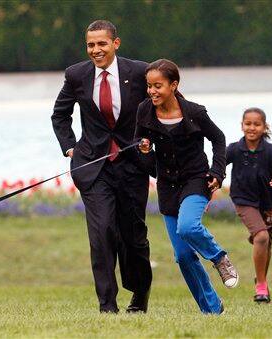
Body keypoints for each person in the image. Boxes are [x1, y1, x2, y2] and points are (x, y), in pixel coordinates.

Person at [51, 20, 152, 314]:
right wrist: (70, 147)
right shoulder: (76, 75)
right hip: (94, 168)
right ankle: (107, 305)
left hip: (132, 166)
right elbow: (60, 115)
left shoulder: (139, 72)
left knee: (133, 236)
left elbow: (162, 105)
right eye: (91, 45)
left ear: (115, 44)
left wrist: (150, 141)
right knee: (102, 233)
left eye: (102, 44)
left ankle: (140, 294)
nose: (96, 50)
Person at [135, 59, 239, 314]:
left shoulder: (194, 112)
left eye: (158, 86)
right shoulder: (144, 111)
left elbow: (219, 139)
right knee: (182, 255)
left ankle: (219, 257)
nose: (152, 92)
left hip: (195, 179)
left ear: (174, 85)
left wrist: (218, 171)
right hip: (167, 185)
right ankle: (213, 309)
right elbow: (140, 145)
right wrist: (145, 149)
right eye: (149, 86)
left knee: (188, 226)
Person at [227, 107, 272, 303]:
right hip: (243, 200)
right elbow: (217, 167)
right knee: (262, 236)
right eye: (248, 123)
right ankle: (261, 286)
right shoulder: (234, 149)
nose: (252, 128)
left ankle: (261, 282)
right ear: (242, 126)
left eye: (257, 124)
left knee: (266, 243)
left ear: (265, 127)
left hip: (268, 202)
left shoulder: (271, 151)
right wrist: (210, 186)